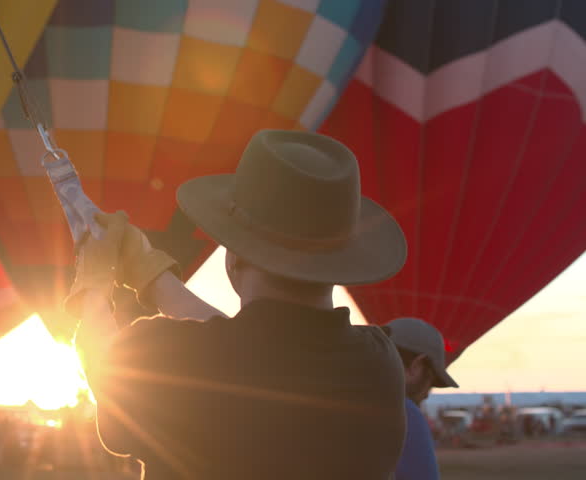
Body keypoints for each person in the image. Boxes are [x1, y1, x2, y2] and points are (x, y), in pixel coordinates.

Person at [69, 130, 410, 479]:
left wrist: (93, 282)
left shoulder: (171, 359)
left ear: (233, 257)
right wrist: (150, 272)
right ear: (340, 261)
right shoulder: (379, 364)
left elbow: (100, 357)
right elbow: (252, 350)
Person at [383, 317, 460, 480]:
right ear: (416, 365)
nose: (427, 393)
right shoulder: (404, 415)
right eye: (431, 380)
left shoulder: (331, 402)